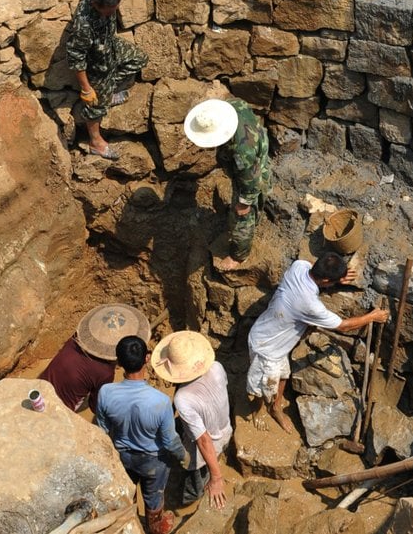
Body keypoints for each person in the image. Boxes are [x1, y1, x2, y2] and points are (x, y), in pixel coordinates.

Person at [247, 252, 390, 433]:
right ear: (324, 281)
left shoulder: (299, 266)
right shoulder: (309, 304)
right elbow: (343, 326)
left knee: (284, 374)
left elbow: (317, 269)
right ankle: (258, 409)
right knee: (263, 386)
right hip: (265, 349)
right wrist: (372, 316)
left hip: (274, 340)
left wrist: (337, 279)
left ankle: (275, 407)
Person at [67, 0, 161, 161]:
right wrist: (86, 88)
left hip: (109, 45)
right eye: (108, 11)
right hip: (95, 61)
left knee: (138, 58)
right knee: (95, 105)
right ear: (95, 4)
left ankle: (110, 91)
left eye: (115, 8)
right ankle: (96, 142)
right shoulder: (83, 25)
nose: (112, 13)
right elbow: (76, 58)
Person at [96, 336, 185, 534]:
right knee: (153, 496)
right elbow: (170, 441)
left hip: (122, 456)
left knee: (128, 490)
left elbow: (101, 429)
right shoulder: (161, 402)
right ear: (147, 359)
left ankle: (131, 521)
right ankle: (154, 527)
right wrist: (183, 456)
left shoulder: (105, 393)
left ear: (118, 362)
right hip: (153, 461)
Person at [183, 98, 271, 271]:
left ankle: (239, 254)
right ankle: (256, 212)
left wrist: (244, 203)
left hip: (252, 167)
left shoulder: (242, 153)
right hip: (258, 140)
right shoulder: (233, 106)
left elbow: (251, 180)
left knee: (242, 217)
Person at [151, 330, 231, 510]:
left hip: (206, 447)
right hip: (225, 429)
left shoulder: (183, 398)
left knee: (194, 482)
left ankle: (187, 501)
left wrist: (216, 477)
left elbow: (203, 440)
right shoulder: (217, 367)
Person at [40, 303, 150, 413]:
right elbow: (95, 405)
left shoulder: (74, 340)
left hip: (40, 386)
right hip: (58, 408)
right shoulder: (104, 372)